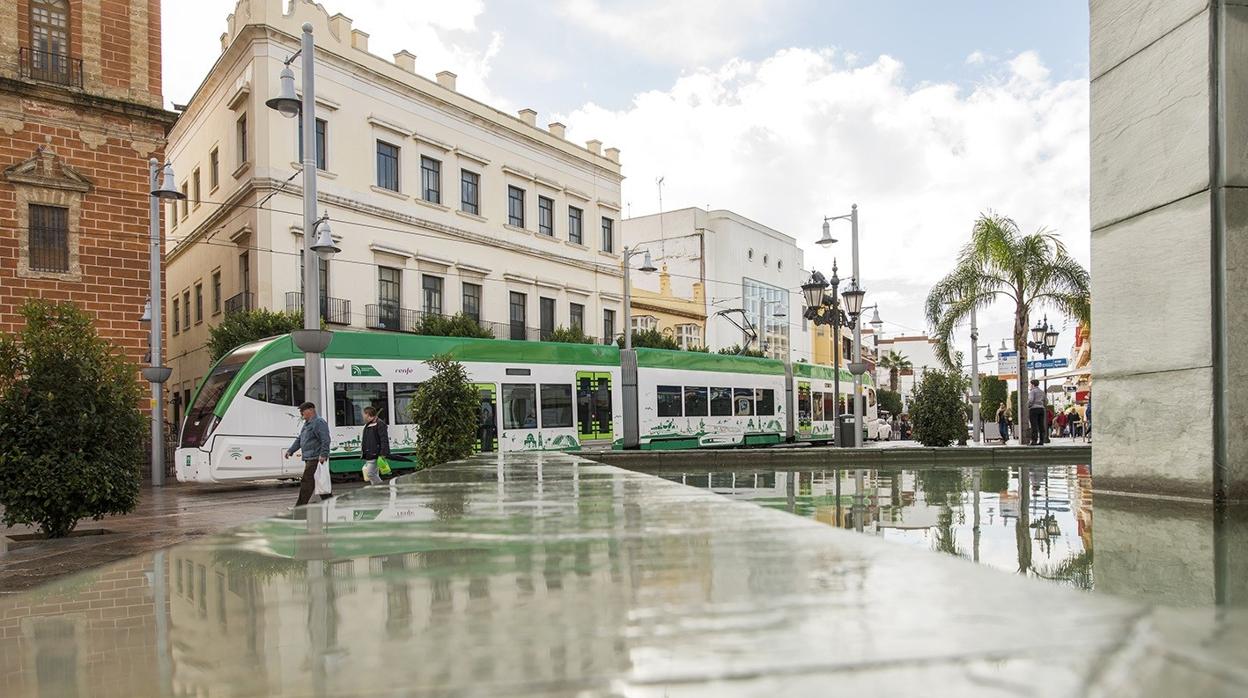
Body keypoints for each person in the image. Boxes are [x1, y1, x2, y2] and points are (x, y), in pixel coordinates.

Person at [286, 401, 332, 506]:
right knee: (319, 483)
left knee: (307, 483)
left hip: (316, 458)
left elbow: (325, 439)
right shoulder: (307, 423)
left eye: (303, 411)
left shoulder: (319, 422)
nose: (301, 414)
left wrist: (323, 454)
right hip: (309, 457)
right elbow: (300, 439)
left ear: (311, 410)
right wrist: (291, 450)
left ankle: (299, 507)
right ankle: (331, 504)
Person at [360, 405, 390, 485]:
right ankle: (377, 492)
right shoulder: (368, 424)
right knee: (374, 474)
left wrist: (383, 453)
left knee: (370, 474)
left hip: (375, 454)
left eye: (363, 414)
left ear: (367, 414)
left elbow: (384, 440)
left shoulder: (380, 424)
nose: (362, 416)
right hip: (369, 454)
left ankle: (383, 488)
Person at [1027, 379, 1046, 445]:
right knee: (1041, 425)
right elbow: (1045, 400)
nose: (1029, 385)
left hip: (1034, 409)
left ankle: (1034, 440)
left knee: (1034, 425)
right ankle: (1041, 440)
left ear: (1032, 384)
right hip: (1041, 409)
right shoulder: (1042, 391)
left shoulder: (1032, 391)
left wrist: (1029, 406)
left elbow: (1031, 400)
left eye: (1030, 384)